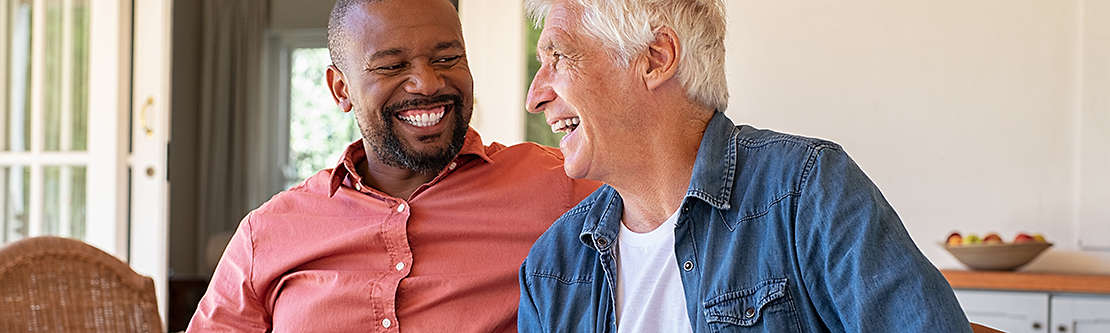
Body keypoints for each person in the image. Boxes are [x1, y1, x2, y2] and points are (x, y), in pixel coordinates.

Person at [517, 0, 972, 332]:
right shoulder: (551, 267)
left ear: (655, 58)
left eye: (559, 56)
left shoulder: (807, 193)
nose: (535, 96)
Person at [188, 0, 598, 331]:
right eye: (392, 66)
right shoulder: (268, 233)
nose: (427, 82)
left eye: (448, 57)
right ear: (341, 88)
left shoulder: (561, 186)